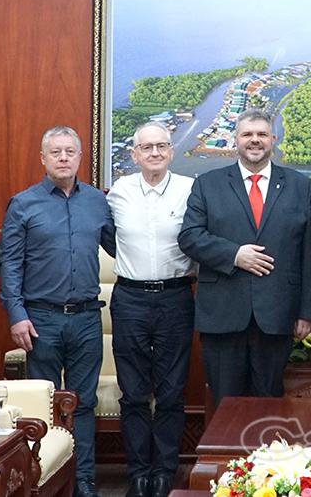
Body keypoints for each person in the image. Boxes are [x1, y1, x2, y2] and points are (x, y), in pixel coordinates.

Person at [0, 126, 115, 497]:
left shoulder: (97, 202)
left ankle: (84, 481)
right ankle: (48, 480)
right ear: (43, 158)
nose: (63, 158)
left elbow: (123, 249)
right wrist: (16, 314)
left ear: (80, 157)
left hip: (86, 317)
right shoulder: (23, 204)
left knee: (83, 402)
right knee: (45, 404)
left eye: (70, 151)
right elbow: (10, 264)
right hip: (40, 319)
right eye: (56, 152)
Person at [177, 108, 311, 405]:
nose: (255, 140)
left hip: (277, 315)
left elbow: (310, 253)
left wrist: (307, 313)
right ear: (236, 140)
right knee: (226, 405)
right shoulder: (207, 184)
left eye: (262, 134)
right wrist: (234, 254)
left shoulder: (299, 186)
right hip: (223, 314)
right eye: (247, 134)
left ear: (273, 139)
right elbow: (190, 237)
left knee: (268, 406)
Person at [107, 122, 196, 497]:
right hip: (130, 299)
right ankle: (139, 474)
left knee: (172, 392)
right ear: (134, 154)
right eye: (147, 147)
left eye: (162, 146)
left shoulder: (190, 190)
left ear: (171, 151)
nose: (155, 152)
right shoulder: (118, 192)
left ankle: (164, 473)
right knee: (134, 393)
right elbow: (106, 236)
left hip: (176, 297)